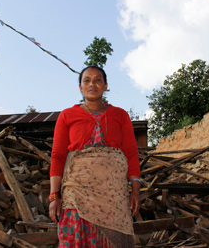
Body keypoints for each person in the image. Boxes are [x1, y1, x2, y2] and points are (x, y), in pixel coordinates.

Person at [49, 65, 141, 247]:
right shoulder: (67, 115)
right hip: (77, 191)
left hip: (113, 194)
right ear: (80, 87)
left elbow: (131, 153)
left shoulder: (120, 115)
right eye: (87, 80)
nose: (92, 84)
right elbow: (58, 156)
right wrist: (54, 196)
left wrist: (136, 191)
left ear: (106, 86)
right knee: (75, 236)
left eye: (98, 80)